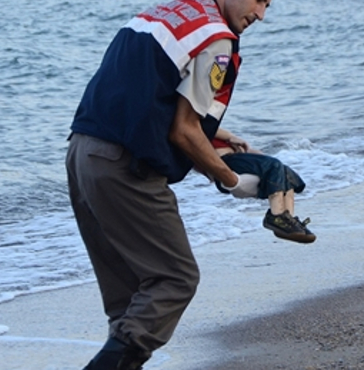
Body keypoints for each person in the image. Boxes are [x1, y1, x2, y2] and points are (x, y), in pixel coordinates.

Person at [64, 0, 272, 369]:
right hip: (123, 167)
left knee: (129, 301)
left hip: (83, 154)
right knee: (174, 279)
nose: (261, 14)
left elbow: (147, 92)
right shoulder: (218, 40)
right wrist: (232, 180)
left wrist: (218, 136)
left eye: (269, 4)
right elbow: (183, 130)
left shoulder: (165, 12)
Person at [207, 127, 316, 243]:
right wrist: (230, 136)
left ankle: (288, 220)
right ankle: (276, 216)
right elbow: (207, 126)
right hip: (225, 161)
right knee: (274, 165)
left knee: (283, 171)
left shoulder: (218, 134)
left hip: (238, 158)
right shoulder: (201, 128)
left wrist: (263, 159)